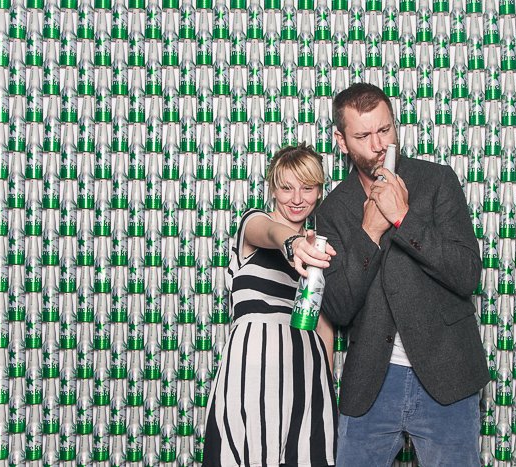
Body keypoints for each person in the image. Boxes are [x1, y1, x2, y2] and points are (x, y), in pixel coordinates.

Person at [316, 83, 490, 466]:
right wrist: (369, 232)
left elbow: (466, 274)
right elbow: (339, 307)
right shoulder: (333, 210)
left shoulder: (437, 181)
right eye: (363, 136)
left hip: (448, 373)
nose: (379, 145)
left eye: (385, 129)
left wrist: (403, 218)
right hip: (372, 382)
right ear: (341, 141)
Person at [203, 143, 338, 467]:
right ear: (273, 189)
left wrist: (324, 387)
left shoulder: (319, 247)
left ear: (320, 191)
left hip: (305, 370)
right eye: (287, 188)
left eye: (307, 188)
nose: (297, 198)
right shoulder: (254, 225)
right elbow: (270, 231)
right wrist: (292, 242)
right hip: (252, 367)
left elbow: (323, 327)